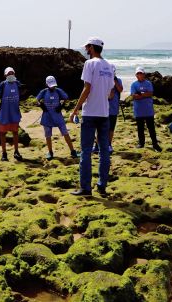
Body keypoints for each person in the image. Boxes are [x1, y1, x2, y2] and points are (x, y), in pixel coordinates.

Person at [69, 37, 114, 196]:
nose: (85, 50)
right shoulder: (109, 66)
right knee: (104, 151)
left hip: (90, 113)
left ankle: (86, 188)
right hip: (104, 113)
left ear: (92, 48)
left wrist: (75, 109)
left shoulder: (89, 64)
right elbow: (110, 93)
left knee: (86, 151)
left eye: (87, 47)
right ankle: (102, 186)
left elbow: (87, 88)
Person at [37, 76, 78, 160]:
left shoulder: (58, 91)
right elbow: (37, 99)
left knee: (65, 133)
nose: (52, 87)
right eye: (50, 85)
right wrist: (41, 105)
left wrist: (61, 105)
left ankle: (73, 151)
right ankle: (50, 152)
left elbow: (66, 98)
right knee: (48, 135)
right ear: (46, 84)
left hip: (58, 116)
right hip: (47, 116)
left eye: (53, 85)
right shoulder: (44, 92)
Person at [0, 67, 23, 161]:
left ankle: (16, 151)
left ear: (14, 74)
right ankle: (4, 153)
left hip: (15, 112)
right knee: (2, 133)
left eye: (12, 73)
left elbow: (22, 94)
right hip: (4, 113)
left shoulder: (18, 84)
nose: (10, 75)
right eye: (8, 73)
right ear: (5, 75)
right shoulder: (3, 84)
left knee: (15, 132)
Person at [131, 67, 161, 151]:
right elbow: (134, 96)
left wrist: (140, 94)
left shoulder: (148, 83)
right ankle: (141, 143)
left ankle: (155, 144)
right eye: (138, 73)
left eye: (141, 73)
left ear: (144, 74)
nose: (139, 75)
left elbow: (150, 93)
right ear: (136, 75)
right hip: (138, 110)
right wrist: (144, 94)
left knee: (151, 128)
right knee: (140, 128)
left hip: (148, 110)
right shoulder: (134, 84)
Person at [107, 65, 123, 152]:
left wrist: (115, 81)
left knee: (111, 128)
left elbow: (120, 90)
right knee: (100, 128)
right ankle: (97, 145)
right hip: (103, 108)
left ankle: (109, 144)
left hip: (113, 108)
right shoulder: (104, 80)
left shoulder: (118, 80)